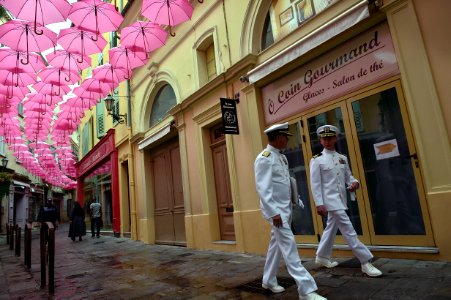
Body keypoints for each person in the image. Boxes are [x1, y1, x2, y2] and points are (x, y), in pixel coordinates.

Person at [255, 122, 327, 300]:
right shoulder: (264, 158)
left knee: (276, 247)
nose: (287, 140)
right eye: (286, 137)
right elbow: (263, 189)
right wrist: (273, 212)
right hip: (276, 212)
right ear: (278, 138)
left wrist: (296, 199)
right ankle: (306, 289)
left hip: (284, 209)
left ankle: (269, 280)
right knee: (290, 247)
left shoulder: (281, 157)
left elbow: (286, 181)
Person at [309, 124, 382, 277]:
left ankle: (322, 257)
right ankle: (365, 261)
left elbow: (349, 176)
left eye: (330, 138)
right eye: (324, 139)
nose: (327, 141)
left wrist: (355, 182)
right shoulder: (317, 160)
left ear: (335, 138)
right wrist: (319, 203)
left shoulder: (342, 158)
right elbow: (315, 184)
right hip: (330, 201)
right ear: (321, 141)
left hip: (341, 199)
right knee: (348, 230)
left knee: (330, 228)